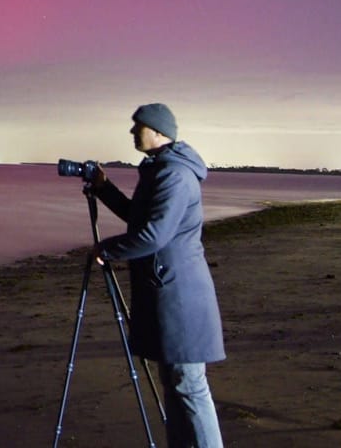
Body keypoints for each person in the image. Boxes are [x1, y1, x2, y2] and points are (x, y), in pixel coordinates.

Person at [89, 102, 225, 447]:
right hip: (168, 288)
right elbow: (140, 219)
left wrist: (108, 251)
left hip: (180, 295)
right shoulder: (161, 171)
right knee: (176, 383)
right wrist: (104, 189)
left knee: (189, 384)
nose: (133, 132)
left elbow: (154, 236)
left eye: (139, 127)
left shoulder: (174, 175)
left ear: (159, 132)